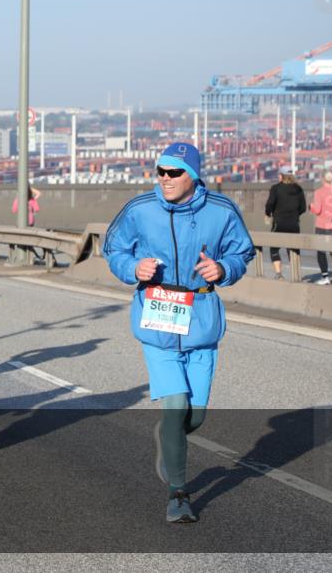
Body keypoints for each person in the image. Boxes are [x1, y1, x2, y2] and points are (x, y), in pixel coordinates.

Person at [102, 142, 254, 524]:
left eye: (174, 172)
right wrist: (132, 267)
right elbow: (113, 248)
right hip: (157, 322)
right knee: (175, 410)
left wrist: (223, 268)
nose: (165, 179)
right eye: (160, 171)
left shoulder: (222, 211)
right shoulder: (140, 209)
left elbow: (243, 252)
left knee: (195, 416)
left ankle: (169, 441)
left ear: (194, 175)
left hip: (201, 322)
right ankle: (179, 494)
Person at [264, 166, 306, 280]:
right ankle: (296, 274)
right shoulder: (298, 189)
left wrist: (268, 213)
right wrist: (295, 214)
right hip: (294, 224)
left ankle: (279, 274)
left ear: (281, 176)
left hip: (279, 223)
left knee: (274, 248)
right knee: (294, 249)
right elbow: (303, 208)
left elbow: (270, 204)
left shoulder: (276, 188)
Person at [309, 171, 332, 285]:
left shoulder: (319, 192)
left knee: (321, 252)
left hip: (322, 226)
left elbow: (317, 210)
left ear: (322, 179)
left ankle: (325, 276)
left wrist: (310, 206)